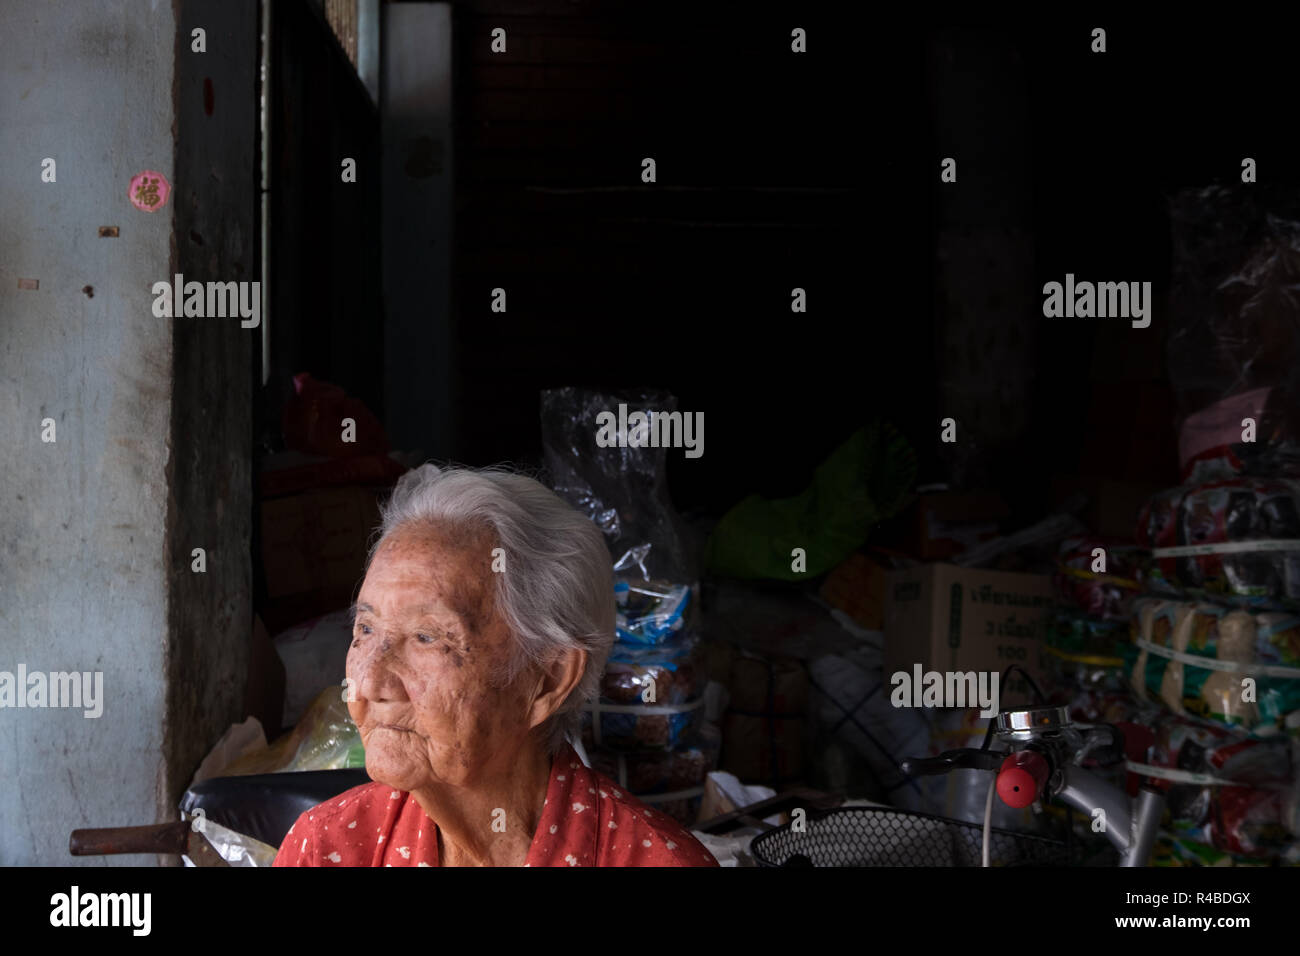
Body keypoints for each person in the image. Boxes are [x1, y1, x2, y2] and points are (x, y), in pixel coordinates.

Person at [273, 464, 717, 867]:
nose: (369, 681)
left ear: (547, 680)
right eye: (366, 630)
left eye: (427, 638)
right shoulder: (327, 848)